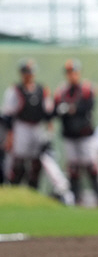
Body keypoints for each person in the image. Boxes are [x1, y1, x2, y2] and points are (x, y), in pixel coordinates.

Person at [53, 59, 98, 207]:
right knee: (73, 168)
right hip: (70, 135)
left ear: (78, 73)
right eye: (69, 72)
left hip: (85, 134)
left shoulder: (86, 89)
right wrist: (68, 109)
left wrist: (71, 109)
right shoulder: (62, 91)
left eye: (74, 72)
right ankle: (76, 199)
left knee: (91, 166)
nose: (72, 75)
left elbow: (88, 106)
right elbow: (55, 111)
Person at [1, 58, 54, 190]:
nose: (28, 75)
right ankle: (14, 187)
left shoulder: (42, 90)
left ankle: (33, 188)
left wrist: (49, 128)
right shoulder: (15, 90)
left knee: (37, 160)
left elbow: (48, 112)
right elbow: (7, 115)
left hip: (37, 127)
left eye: (30, 72)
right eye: (25, 72)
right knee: (18, 161)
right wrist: (9, 135)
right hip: (21, 126)